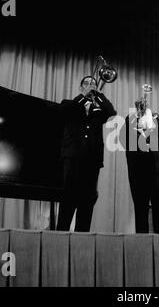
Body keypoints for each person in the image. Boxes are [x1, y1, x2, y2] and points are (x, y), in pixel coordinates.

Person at [57, 76, 116, 232]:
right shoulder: (69, 103)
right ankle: (61, 234)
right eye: (87, 83)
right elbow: (63, 112)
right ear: (80, 87)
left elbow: (111, 112)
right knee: (68, 197)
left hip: (92, 159)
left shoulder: (99, 109)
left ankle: (82, 238)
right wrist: (83, 96)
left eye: (93, 84)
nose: (91, 85)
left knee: (87, 200)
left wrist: (98, 94)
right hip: (72, 157)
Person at [125, 89, 159, 234]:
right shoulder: (130, 118)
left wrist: (150, 117)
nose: (143, 106)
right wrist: (137, 116)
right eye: (140, 104)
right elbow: (128, 138)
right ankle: (141, 242)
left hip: (156, 168)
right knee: (141, 207)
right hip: (138, 170)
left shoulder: (155, 117)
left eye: (144, 104)